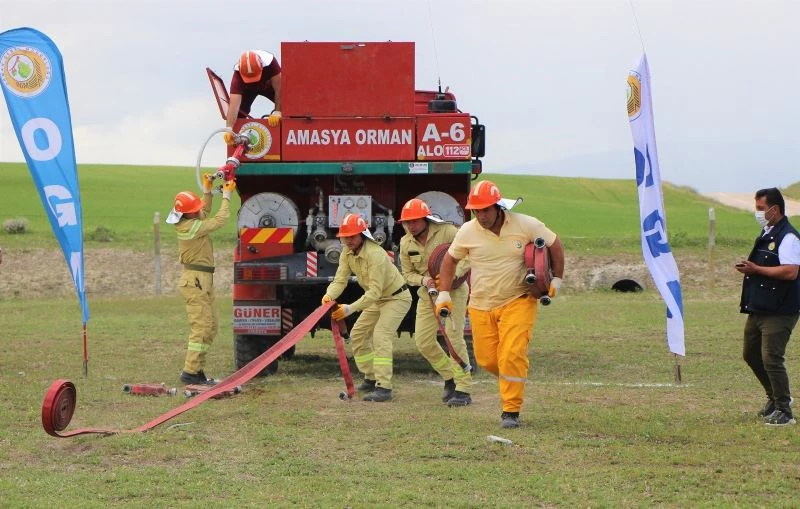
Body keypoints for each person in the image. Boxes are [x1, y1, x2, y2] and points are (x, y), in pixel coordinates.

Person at [435, 180, 564, 429]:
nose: (481, 216)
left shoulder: (526, 224)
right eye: (476, 211)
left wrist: (556, 279)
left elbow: (555, 244)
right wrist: (444, 293)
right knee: (487, 361)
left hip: (519, 300)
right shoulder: (467, 231)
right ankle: (514, 374)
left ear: (497, 206)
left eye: (485, 210)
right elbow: (449, 261)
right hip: (480, 305)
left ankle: (510, 411)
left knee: (511, 355)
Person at [322, 213, 412, 402]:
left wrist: (349, 309)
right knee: (358, 335)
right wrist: (329, 295)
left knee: (381, 336)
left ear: (362, 234)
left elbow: (375, 292)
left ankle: (384, 387)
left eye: (352, 236)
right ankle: (370, 378)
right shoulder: (346, 253)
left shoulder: (375, 254)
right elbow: (340, 280)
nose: (348, 240)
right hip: (377, 300)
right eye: (345, 237)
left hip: (396, 298)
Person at [398, 198, 473, 406]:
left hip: (455, 291)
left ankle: (463, 389)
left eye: (414, 221)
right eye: (407, 222)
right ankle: (450, 377)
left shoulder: (448, 231)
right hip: (428, 295)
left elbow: (468, 256)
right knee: (423, 341)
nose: (411, 226)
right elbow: (407, 274)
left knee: (454, 337)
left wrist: (450, 276)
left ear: (426, 219)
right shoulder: (405, 243)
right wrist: (425, 281)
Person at [735, 187, 799, 426]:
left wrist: (757, 269)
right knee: (751, 354)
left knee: (772, 357)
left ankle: (784, 411)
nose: (758, 213)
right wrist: (750, 268)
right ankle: (774, 397)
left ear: (775, 209)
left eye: (761, 208)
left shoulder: (789, 237)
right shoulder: (768, 232)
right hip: (760, 306)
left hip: (780, 309)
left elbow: (791, 272)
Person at [167, 175, 236, 385]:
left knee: (211, 326)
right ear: (186, 213)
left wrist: (207, 192)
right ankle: (190, 372)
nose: (199, 210)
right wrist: (226, 196)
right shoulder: (190, 228)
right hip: (195, 280)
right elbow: (219, 220)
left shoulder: (191, 221)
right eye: (194, 208)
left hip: (202, 279)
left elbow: (202, 211)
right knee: (202, 327)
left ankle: (196, 370)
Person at [224, 49, 282, 144]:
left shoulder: (270, 63)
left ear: (261, 66)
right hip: (248, 89)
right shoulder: (237, 75)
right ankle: (239, 141)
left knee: (288, 106)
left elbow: (279, 89)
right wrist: (229, 128)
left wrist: (278, 111)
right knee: (239, 115)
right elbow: (233, 106)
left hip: (268, 85)